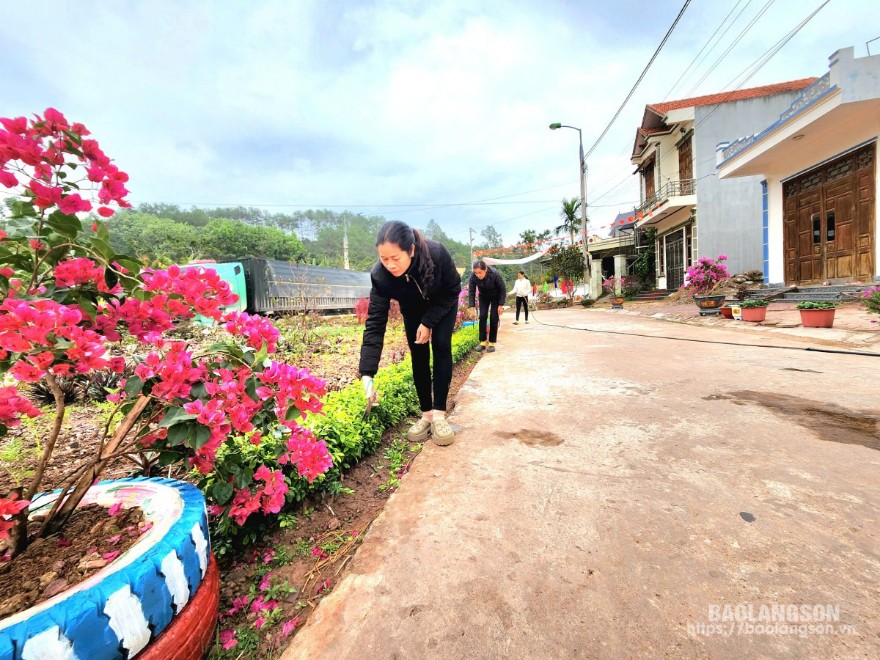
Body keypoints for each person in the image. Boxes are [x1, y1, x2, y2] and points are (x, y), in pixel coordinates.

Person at [359, 221, 462, 446]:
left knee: (442, 345)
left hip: (443, 302)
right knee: (418, 352)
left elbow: (454, 289)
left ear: (411, 250)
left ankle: (439, 415)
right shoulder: (380, 276)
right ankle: (426, 415)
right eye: (384, 259)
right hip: (413, 307)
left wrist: (428, 322)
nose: (390, 265)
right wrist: (367, 373)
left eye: (395, 258)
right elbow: (375, 323)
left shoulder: (436, 254)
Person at [468, 260, 506, 353]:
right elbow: (471, 291)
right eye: (476, 273)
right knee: (483, 316)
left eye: (480, 272)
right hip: (483, 296)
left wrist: (500, 305)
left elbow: (502, 288)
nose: (478, 275)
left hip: (495, 296)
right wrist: (472, 308)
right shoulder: (473, 276)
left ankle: (492, 343)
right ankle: (482, 342)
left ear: (486, 270)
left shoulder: (495, 274)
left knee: (493, 317)